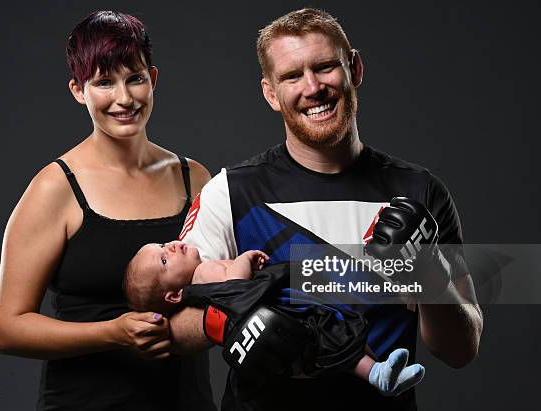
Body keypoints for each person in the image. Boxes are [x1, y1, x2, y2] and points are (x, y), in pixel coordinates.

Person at [169, 8, 483, 410]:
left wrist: (429, 272)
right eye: (292, 76)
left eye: (325, 67)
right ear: (271, 93)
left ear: (354, 68)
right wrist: (235, 325)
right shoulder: (229, 192)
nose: (313, 87)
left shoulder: (419, 191)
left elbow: (462, 349)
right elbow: (174, 327)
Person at [0, 11, 215, 410]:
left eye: (135, 79)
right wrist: (112, 332)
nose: (124, 99)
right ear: (79, 90)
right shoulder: (56, 188)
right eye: (104, 83)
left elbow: (228, 283)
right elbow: (7, 329)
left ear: (154, 79)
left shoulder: (194, 178)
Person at [123, 240, 425, 397]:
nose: (172, 246)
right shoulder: (203, 275)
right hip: (284, 320)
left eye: (162, 245)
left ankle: (381, 372)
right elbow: (237, 290)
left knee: (340, 340)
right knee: (333, 341)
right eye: (164, 259)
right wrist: (245, 260)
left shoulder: (198, 277)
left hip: (284, 317)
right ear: (174, 296)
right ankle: (378, 374)